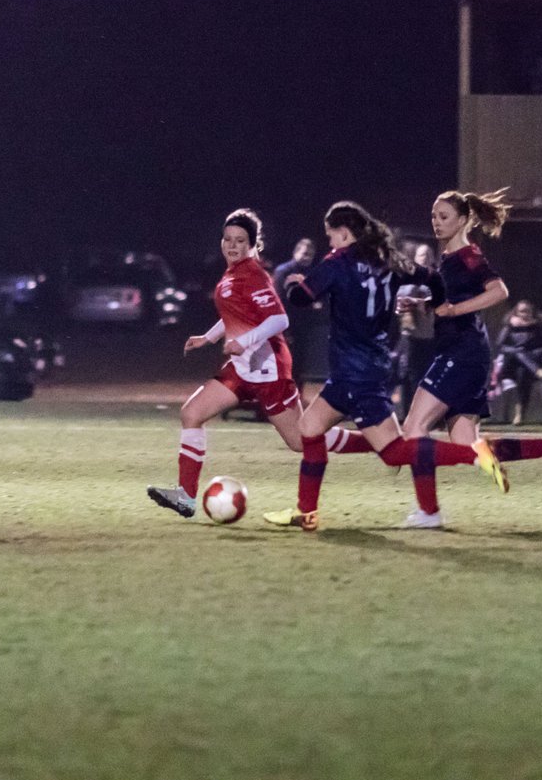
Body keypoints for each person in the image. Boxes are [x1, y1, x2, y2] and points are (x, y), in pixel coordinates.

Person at [262, 201, 508, 533]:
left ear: (345, 233)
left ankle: (476, 455)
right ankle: (306, 512)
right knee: (309, 428)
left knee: (394, 452)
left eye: (331, 235)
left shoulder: (337, 262)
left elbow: (302, 298)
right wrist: (436, 304)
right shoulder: (388, 261)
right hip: (368, 366)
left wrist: (293, 281)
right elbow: (433, 278)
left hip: (354, 373)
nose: (329, 242)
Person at [147, 210, 374, 518]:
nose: (232, 245)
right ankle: (186, 497)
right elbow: (235, 315)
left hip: (269, 369)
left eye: (240, 241)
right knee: (192, 413)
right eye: (228, 239)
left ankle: (377, 442)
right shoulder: (231, 274)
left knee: (300, 440)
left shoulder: (252, 274)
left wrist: (246, 341)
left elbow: (279, 319)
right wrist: (209, 337)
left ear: (253, 244)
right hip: (241, 368)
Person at [400, 190, 542, 528]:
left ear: (463, 220)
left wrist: (455, 309)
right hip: (463, 351)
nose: (436, 222)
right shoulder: (448, 259)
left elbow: (499, 291)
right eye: (434, 216)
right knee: (468, 444)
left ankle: (428, 512)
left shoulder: (467, 254)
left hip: (462, 354)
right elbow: (448, 301)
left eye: (444, 217)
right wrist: (419, 304)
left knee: (414, 427)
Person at [490, 299, 542, 425]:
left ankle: (519, 414)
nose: (525, 314)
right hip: (510, 366)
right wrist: (516, 351)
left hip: (529, 366)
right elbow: (500, 346)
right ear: (516, 312)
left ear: (532, 312)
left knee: (523, 374)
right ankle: (540, 373)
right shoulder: (510, 326)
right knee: (519, 353)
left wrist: (531, 354)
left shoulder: (538, 326)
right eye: (522, 311)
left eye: (527, 311)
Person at [272, 237, 324, 390]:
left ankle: (295, 397)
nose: (308, 257)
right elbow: (278, 300)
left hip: (303, 327)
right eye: (305, 253)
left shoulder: (311, 272)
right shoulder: (283, 271)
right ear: (296, 252)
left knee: (299, 365)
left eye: (311, 254)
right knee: (283, 363)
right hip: (285, 325)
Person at [398, 243, 438, 418]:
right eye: (422, 254)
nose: (426, 257)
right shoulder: (409, 277)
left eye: (429, 254)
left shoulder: (437, 278)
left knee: (429, 376)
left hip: (432, 336)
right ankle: (410, 414)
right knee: (411, 375)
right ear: (415, 258)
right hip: (412, 336)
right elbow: (401, 299)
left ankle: (426, 416)